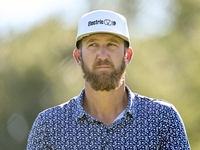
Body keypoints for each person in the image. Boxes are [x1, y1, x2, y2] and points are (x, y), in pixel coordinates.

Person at [27, 10, 190, 149]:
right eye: (92, 45)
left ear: (127, 55)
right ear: (78, 57)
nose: (103, 55)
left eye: (112, 44)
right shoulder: (48, 126)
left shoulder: (163, 118)